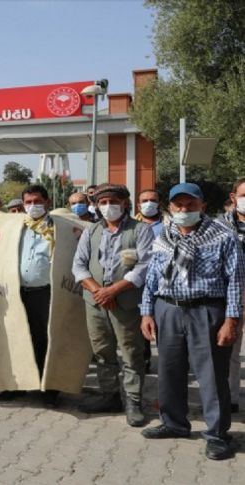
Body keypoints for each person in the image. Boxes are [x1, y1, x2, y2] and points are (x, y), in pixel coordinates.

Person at [140, 183, 243, 461]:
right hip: (168, 310)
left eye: (190, 205)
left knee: (211, 375)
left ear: (202, 206)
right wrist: (147, 311)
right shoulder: (163, 235)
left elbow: (235, 281)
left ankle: (218, 435)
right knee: (169, 370)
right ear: (169, 208)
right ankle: (174, 423)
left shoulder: (223, 236)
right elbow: (152, 276)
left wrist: (231, 320)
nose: (184, 210)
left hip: (206, 312)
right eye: (178, 205)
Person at [72, 184, 154, 426]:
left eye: (113, 201)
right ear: (96, 205)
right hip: (96, 303)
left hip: (126, 302)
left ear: (125, 203)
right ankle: (109, 396)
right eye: (103, 202)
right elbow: (79, 265)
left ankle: (133, 400)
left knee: (131, 352)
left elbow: (145, 266)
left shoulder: (140, 230)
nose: (108, 207)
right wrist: (99, 291)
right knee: (102, 351)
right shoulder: (92, 230)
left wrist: (113, 290)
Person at [0, 185, 62, 406]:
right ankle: (19, 385)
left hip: (45, 293)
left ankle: (48, 388)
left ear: (47, 202)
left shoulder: (58, 228)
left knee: (45, 339)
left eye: (37, 201)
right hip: (16, 292)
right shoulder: (16, 228)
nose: (32, 206)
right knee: (17, 338)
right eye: (28, 202)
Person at [218, 177, 245, 414]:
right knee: (230, 352)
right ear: (233, 197)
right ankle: (230, 398)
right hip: (231, 296)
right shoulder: (218, 226)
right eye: (244, 196)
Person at [135, 188, 168, 372]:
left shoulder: (168, 226)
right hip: (138, 283)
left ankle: (169, 362)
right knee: (142, 324)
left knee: (163, 326)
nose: (148, 204)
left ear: (159, 203)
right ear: (138, 205)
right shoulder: (132, 226)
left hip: (162, 285)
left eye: (152, 200)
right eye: (144, 200)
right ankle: (144, 360)